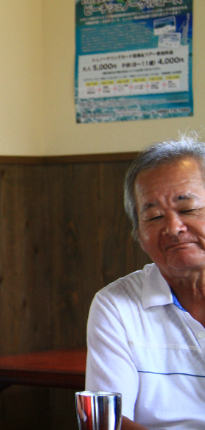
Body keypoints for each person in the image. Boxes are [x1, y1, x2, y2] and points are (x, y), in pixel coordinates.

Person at [85, 136, 205, 430]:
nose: (174, 228)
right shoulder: (116, 305)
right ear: (138, 233)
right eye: (153, 216)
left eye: (188, 209)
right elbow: (106, 421)